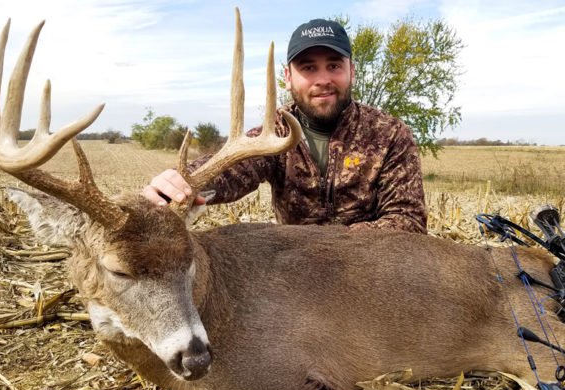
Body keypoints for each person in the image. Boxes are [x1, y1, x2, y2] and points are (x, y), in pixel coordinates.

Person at [142, 18, 428, 234]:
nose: (322, 79)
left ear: (351, 72)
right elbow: (231, 170)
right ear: (288, 78)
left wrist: (332, 247)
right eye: (308, 68)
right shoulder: (277, 134)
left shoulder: (389, 134)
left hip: (370, 276)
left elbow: (409, 222)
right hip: (296, 281)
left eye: (334, 66)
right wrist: (179, 185)